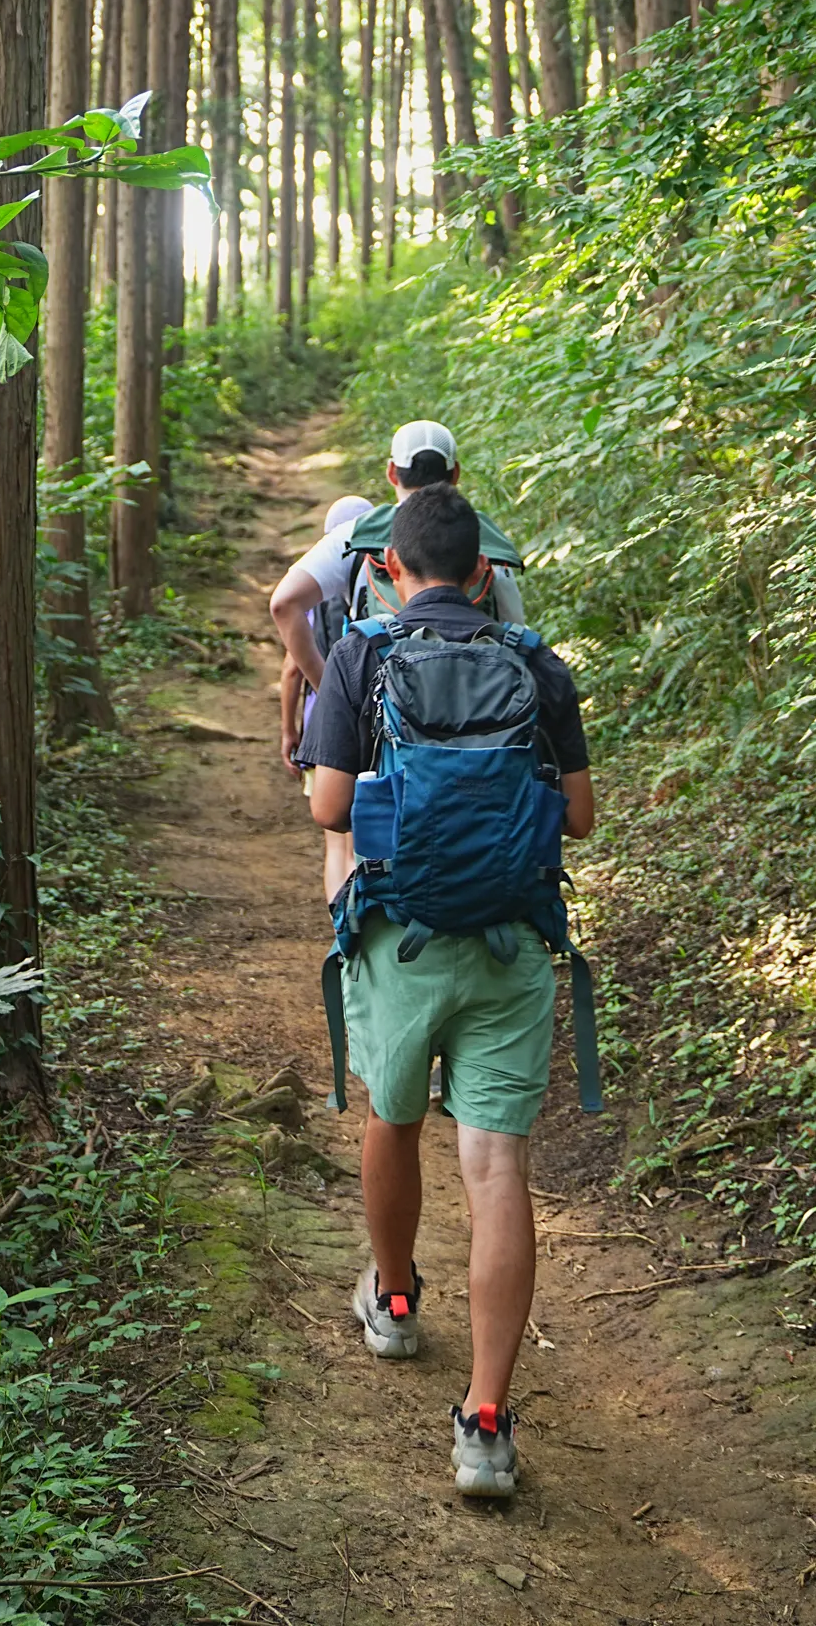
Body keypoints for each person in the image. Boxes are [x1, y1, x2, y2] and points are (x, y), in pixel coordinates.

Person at [303, 483, 595, 1501]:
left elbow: (328, 801)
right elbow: (582, 818)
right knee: (496, 1168)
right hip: (511, 950)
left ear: (387, 568)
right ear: (483, 574)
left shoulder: (365, 655)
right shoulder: (536, 664)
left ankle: (392, 1301)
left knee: (392, 1117)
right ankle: (485, 1423)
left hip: (401, 944)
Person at [269, 422, 518, 903]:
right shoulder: (482, 541)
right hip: (475, 720)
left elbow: (284, 605)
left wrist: (336, 691)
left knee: (351, 838)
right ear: (456, 474)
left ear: (390, 472)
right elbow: (517, 640)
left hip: (377, 713)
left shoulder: (358, 536)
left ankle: (355, 950)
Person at [277, 494, 373, 902]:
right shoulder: (379, 586)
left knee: (335, 843)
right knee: (367, 833)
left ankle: (343, 927)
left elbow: (291, 670)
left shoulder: (314, 591)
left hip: (325, 725)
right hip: (375, 720)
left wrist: (289, 731)